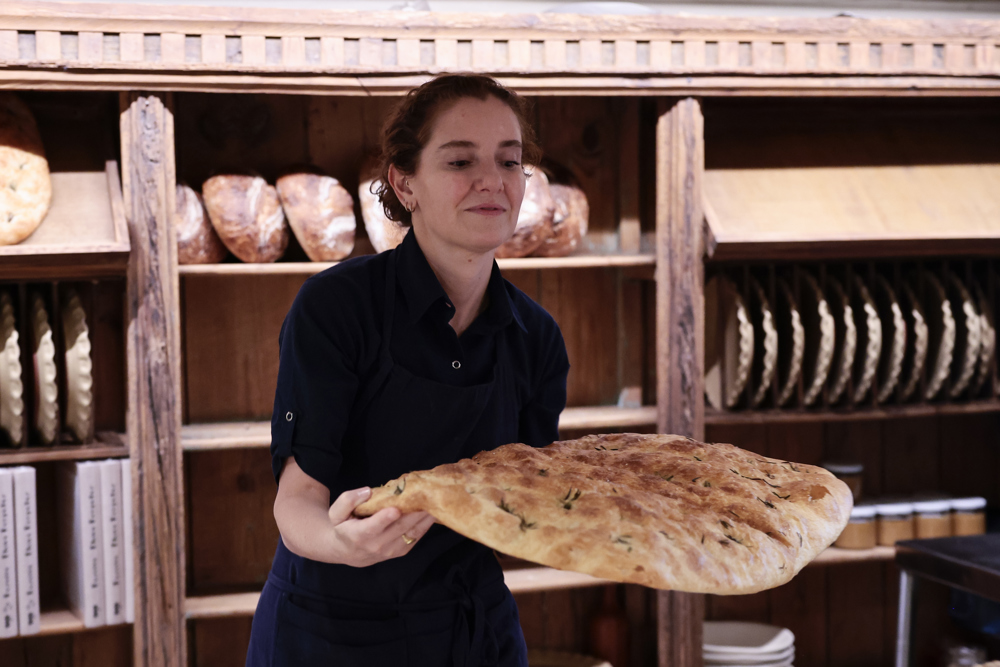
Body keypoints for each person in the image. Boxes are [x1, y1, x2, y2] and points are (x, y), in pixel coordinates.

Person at [246, 73, 570, 666]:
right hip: (332, 631)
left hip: (473, 632)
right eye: (458, 161)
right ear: (405, 182)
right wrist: (342, 542)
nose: (491, 181)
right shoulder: (336, 308)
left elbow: (526, 505)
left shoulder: (538, 339)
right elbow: (296, 503)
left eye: (509, 160)